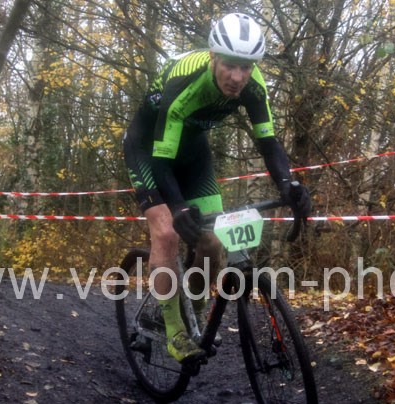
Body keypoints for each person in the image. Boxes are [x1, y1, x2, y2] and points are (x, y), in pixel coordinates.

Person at [122, 12, 311, 364]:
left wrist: (288, 183)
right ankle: (174, 330)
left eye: (246, 67)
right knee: (166, 233)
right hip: (148, 150)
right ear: (212, 57)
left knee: (212, 241)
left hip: (193, 152)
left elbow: (268, 143)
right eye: (230, 65)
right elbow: (162, 159)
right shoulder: (185, 81)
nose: (238, 77)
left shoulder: (254, 87)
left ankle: (193, 313)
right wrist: (177, 207)